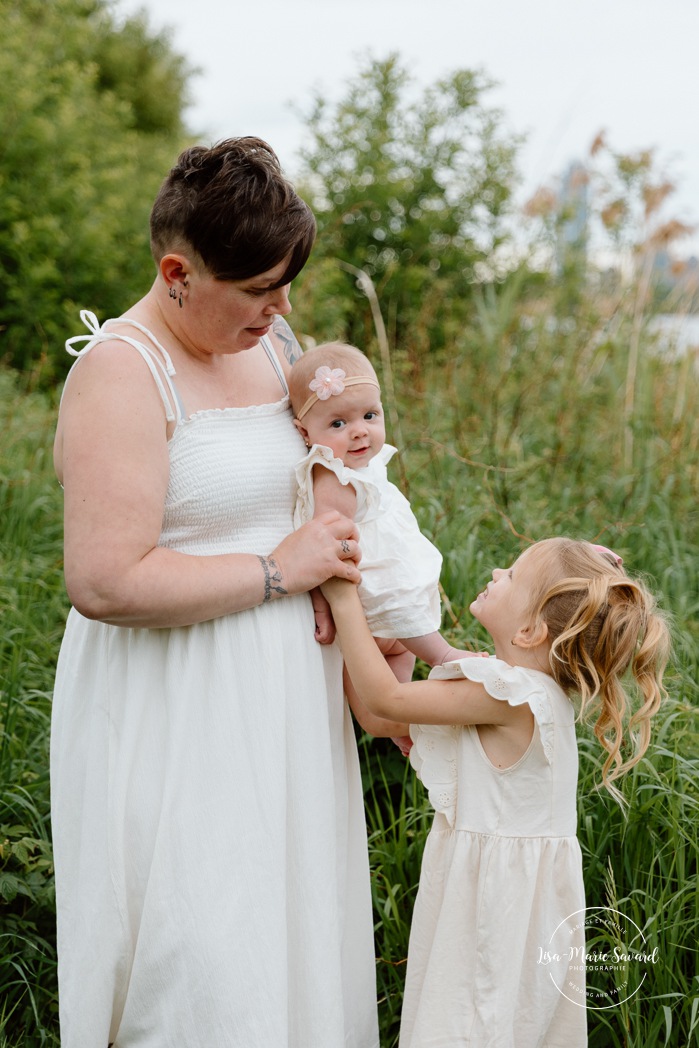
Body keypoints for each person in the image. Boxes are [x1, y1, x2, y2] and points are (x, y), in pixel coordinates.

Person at [51, 138, 381, 1048]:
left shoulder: (270, 342)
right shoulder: (120, 372)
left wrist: (365, 615)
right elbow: (105, 581)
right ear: (177, 273)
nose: (283, 309)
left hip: (285, 707)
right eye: (262, 288)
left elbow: (328, 470)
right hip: (175, 707)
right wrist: (282, 572)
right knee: (200, 960)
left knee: (288, 941)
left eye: (286, 286)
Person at [321, 538, 670, 1047]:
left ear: (531, 631)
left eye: (512, 575)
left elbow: (385, 698)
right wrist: (378, 644)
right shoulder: (526, 690)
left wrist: (344, 596)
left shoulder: (513, 696)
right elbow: (379, 718)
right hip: (508, 903)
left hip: (492, 911)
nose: (495, 568)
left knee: (470, 1025)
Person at [290, 342, 474, 751]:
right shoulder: (334, 479)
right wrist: (322, 606)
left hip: (396, 597)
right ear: (306, 434)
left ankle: (404, 728)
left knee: (394, 697)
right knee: (381, 695)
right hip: (378, 603)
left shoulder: (362, 466)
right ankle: (442, 656)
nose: (359, 431)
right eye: (337, 423)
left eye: (370, 416)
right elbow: (326, 548)